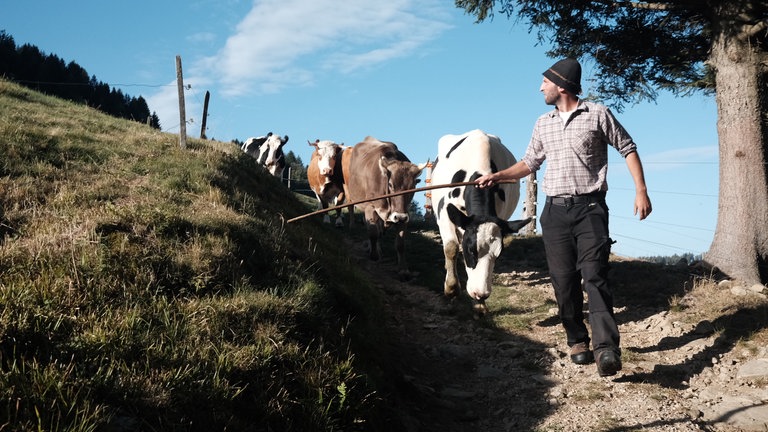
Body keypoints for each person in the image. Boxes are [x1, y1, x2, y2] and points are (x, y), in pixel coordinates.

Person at [476, 57, 652, 377]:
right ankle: (577, 340)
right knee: (563, 280)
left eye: (545, 81)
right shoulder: (543, 122)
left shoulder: (598, 114)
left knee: (594, 274)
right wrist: (498, 176)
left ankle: (606, 349)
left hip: (591, 210)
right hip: (554, 212)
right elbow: (529, 163)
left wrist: (641, 190)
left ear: (561, 85)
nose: (540, 87)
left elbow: (628, 148)